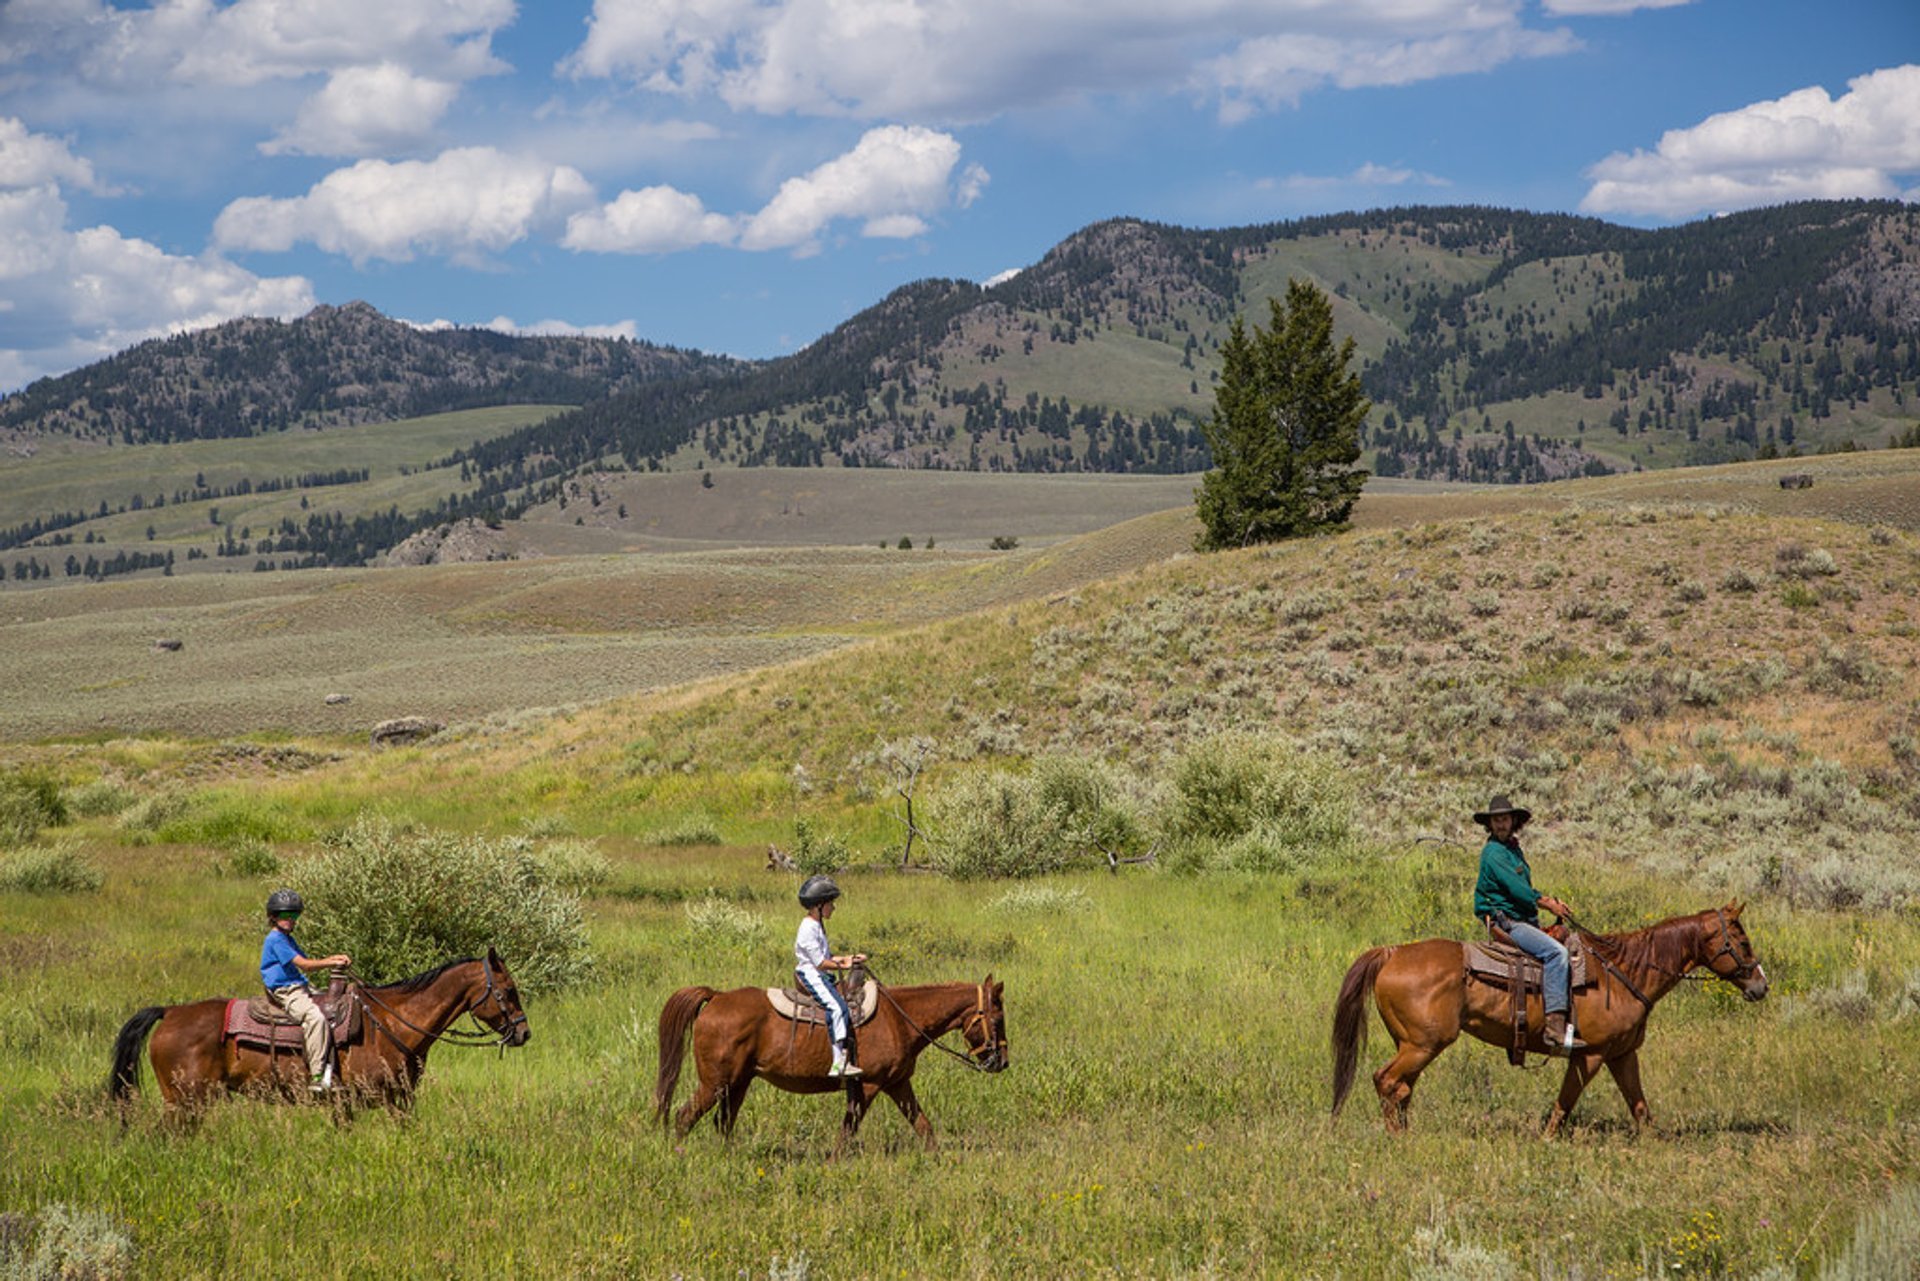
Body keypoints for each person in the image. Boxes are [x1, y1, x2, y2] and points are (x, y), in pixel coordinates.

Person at [1471, 796, 1585, 1054]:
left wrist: (1546, 902)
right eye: (1496, 820)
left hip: (1522, 918)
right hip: (1509, 922)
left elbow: (1522, 888)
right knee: (1556, 954)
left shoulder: (1512, 849)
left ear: (1513, 821)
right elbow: (1517, 889)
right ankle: (1555, 1026)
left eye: (1504, 819)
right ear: (1490, 824)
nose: (1501, 824)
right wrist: (1546, 903)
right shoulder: (1494, 853)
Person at [260, 888, 352, 1092]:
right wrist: (331, 961)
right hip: (285, 990)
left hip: (299, 985)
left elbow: (307, 963)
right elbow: (305, 965)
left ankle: (334, 1068)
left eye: (294, 915)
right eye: (285, 915)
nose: (291, 920)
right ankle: (317, 1075)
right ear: (273, 917)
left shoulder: (287, 938)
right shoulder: (275, 939)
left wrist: (334, 958)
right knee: (315, 1018)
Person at [794, 874, 866, 1078]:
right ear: (819, 906)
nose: (833, 908)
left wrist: (850, 958)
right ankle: (838, 1063)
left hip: (820, 972)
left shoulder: (817, 925)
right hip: (811, 974)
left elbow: (828, 956)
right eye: (830, 904)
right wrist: (846, 963)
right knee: (837, 1008)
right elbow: (820, 963)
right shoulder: (808, 928)